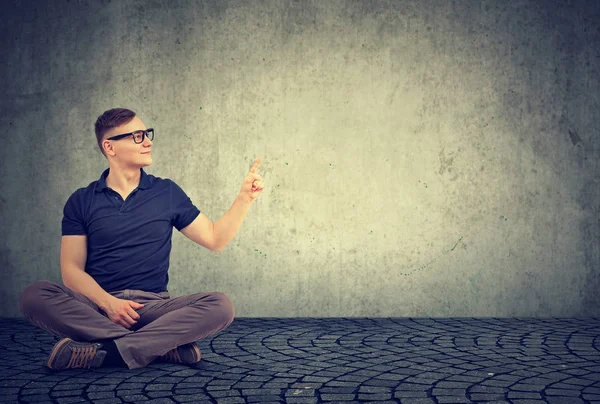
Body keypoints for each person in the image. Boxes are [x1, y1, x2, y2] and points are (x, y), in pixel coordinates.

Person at [19, 108, 265, 370]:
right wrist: (109, 303)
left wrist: (244, 199)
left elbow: (215, 239)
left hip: (152, 309)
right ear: (109, 147)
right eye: (137, 136)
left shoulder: (166, 192)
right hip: (96, 307)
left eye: (147, 134)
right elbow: (71, 270)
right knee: (34, 296)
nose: (147, 142)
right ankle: (158, 347)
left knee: (220, 306)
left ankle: (109, 351)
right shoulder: (81, 200)